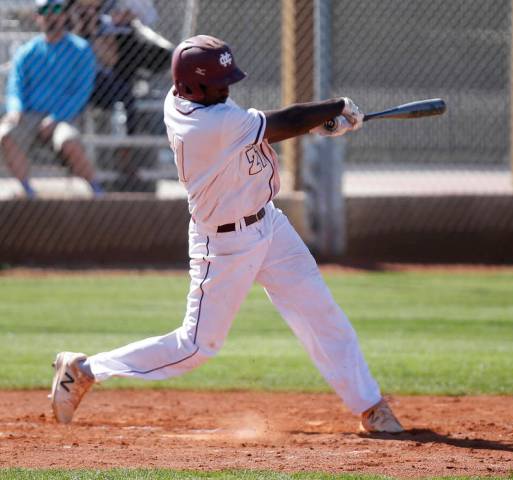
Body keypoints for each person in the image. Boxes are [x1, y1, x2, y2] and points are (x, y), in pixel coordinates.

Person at [50, 35, 404, 434]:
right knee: (196, 347)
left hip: (269, 224)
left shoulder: (194, 99)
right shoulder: (205, 122)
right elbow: (278, 122)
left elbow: (268, 129)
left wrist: (317, 124)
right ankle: (85, 370)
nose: (226, 88)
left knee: (320, 312)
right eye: (218, 82)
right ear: (192, 86)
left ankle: (370, 407)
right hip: (224, 243)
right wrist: (335, 108)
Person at [0, 0, 103, 198]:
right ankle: (29, 193)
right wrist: (15, 109)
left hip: (64, 118)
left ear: (65, 15)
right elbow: (15, 87)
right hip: (29, 116)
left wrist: (56, 118)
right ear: (37, 17)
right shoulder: (27, 51)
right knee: (4, 134)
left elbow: (81, 92)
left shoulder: (80, 50)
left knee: (68, 140)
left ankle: (96, 191)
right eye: (45, 10)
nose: (51, 15)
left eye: (56, 9)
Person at [70, 0, 172, 191]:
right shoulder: (67, 26)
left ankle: (126, 156)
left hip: (99, 82)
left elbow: (111, 60)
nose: (87, 12)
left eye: (90, 10)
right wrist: (79, 31)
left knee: (126, 95)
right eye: (82, 10)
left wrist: (94, 34)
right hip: (74, 81)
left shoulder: (105, 25)